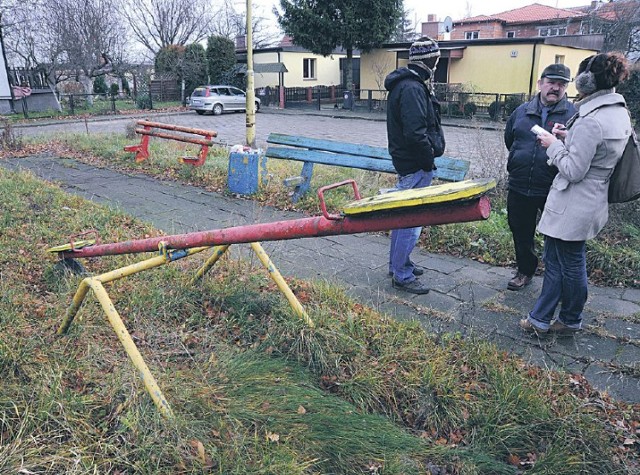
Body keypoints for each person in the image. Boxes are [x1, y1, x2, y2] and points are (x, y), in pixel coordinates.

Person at [521, 52, 632, 335]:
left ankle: (545, 319)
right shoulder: (618, 112)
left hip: (573, 202)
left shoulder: (590, 119)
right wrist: (568, 138)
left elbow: (573, 170)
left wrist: (551, 144)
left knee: (561, 264)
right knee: (571, 262)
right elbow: (600, 152)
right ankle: (565, 318)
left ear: (585, 82)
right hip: (593, 200)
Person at [504, 63, 576, 291]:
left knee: (556, 236)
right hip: (520, 184)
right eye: (551, 82)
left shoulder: (573, 115)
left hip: (553, 188)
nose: (555, 88)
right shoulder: (522, 111)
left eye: (561, 84)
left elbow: (579, 150)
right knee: (520, 230)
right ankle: (525, 270)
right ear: (540, 84)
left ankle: (556, 279)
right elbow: (510, 140)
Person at [384, 37, 445, 294]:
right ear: (429, 60)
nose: (438, 62)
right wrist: (428, 162)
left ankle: (398, 263)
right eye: (436, 58)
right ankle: (402, 274)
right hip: (415, 165)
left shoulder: (408, 84)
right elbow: (415, 134)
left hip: (409, 163)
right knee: (410, 221)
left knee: (403, 218)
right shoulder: (412, 88)